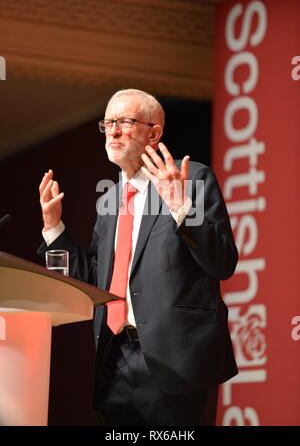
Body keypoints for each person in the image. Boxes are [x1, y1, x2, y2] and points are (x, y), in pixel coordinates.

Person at [38, 88, 238, 426]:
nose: (113, 131)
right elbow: (92, 281)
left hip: (176, 362)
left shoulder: (192, 179)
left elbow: (222, 262)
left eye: (124, 122)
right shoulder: (111, 201)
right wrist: (54, 229)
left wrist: (181, 205)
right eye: (108, 123)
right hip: (115, 362)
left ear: (154, 132)